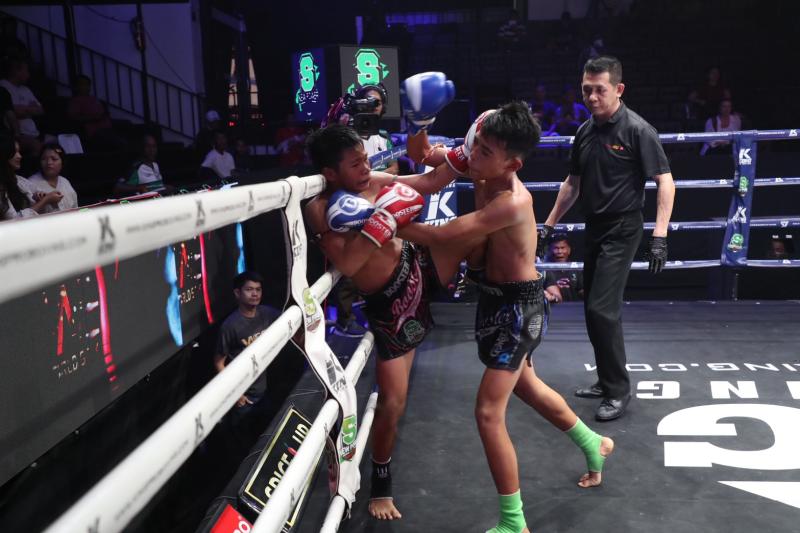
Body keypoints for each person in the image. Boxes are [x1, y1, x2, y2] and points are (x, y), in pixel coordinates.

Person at [401, 102, 614, 533]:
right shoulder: (480, 163)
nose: (473, 155)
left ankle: (514, 523)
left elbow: (444, 236)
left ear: (512, 163)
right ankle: (593, 443)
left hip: (520, 311)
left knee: (487, 412)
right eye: (476, 145)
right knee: (529, 387)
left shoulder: (514, 202)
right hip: (494, 299)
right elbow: (423, 156)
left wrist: (377, 220)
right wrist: (419, 123)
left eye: (484, 152)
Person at [304, 84, 477, 519]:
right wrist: (383, 221)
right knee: (393, 402)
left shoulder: (373, 179)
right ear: (330, 172)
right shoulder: (321, 208)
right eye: (355, 164)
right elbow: (348, 261)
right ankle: (381, 485)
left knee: (478, 233)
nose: (366, 168)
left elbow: (429, 182)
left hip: (417, 269)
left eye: (365, 160)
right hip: (389, 305)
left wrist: (463, 149)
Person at [539, 56, 675, 421]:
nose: (592, 97)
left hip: (623, 227)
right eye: (587, 90)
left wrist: (660, 236)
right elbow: (572, 185)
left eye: (600, 90)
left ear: (619, 89)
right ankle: (605, 379)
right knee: (591, 307)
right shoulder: (585, 132)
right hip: (595, 227)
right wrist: (548, 226)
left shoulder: (637, 130)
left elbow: (665, 181)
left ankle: (617, 390)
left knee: (602, 308)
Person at [214, 271, 280, 448]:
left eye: (258, 289)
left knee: (266, 442)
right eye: (249, 289)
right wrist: (236, 394)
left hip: (264, 393)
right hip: (243, 400)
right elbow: (219, 363)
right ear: (237, 293)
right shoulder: (230, 326)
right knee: (244, 447)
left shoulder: (267, 313)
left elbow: (292, 320)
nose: (255, 294)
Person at [0, 134, 61, 220]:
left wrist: (40, 197)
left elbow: (38, 196)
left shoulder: (20, 180)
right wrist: (45, 200)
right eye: (14, 152)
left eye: (19, 152)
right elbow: (13, 219)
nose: (19, 156)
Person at [66, 75, 124, 152]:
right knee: (117, 141)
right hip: (95, 131)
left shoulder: (94, 99)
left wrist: (105, 115)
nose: (86, 87)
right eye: (83, 84)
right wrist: (94, 118)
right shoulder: (75, 101)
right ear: (76, 87)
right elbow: (73, 118)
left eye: (88, 84)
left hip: (107, 126)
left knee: (126, 125)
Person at [0, 58, 43, 157]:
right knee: (36, 146)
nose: (28, 75)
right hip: (18, 134)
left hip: (35, 133)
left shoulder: (26, 89)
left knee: (59, 142)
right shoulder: (3, 87)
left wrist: (24, 109)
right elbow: (14, 111)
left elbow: (41, 110)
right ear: (16, 71)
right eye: (26, 71)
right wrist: (30, 108)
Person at [354, 84, 399, 175]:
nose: (374, 105)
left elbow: (394, 169)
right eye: (369, 101)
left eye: (378, 102)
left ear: (383, 107)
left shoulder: (384, 135)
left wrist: (372, 177)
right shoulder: (350, 135)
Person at [27, 142, 78, 212]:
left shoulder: (65, 182)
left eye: (54, 159)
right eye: (44, 159)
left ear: (62, 162)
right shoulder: (30, 183)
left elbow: (75, 209)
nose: (49, 162)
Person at [543, 234, 584, 303]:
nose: (559, 252)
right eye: (556, 248)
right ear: (550, 250)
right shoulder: (544, 270)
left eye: (562, 248)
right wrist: (554, 289)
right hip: (554, 307)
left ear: (569, 250)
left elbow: (581, 290)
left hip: (575, 307)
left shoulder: (576, 268)